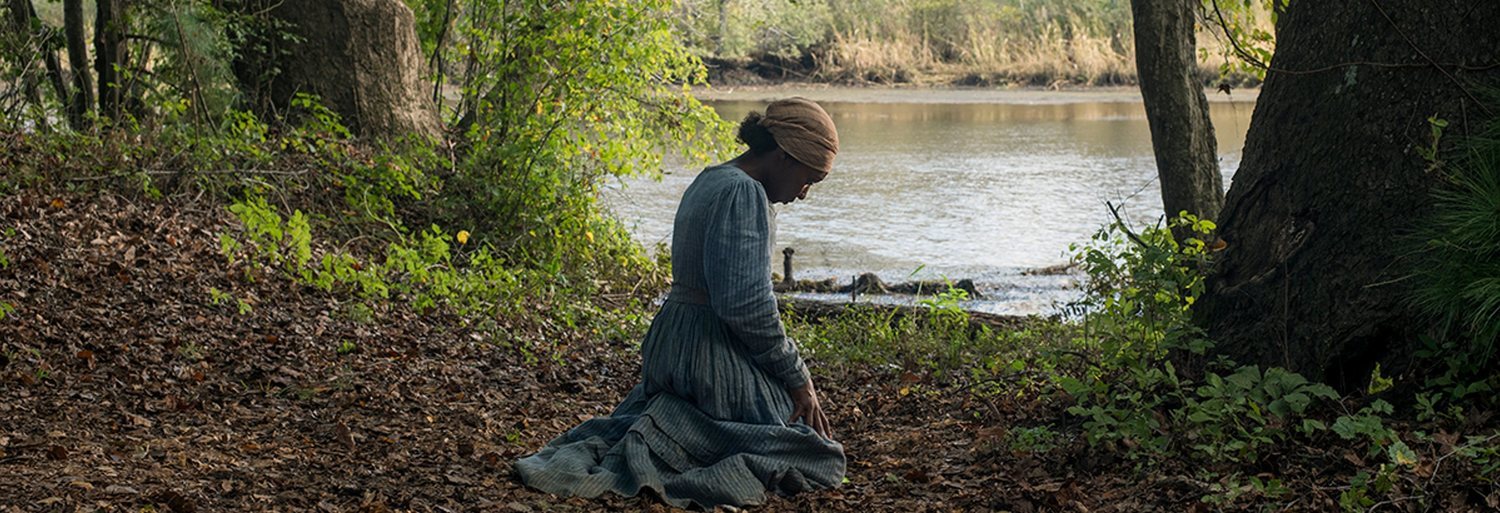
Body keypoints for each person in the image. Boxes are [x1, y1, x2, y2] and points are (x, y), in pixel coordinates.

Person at [514, 97, 846, 509]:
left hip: (673, 341)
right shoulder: (743, 193)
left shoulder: (713, 178)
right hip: (706, 352)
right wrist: (798, 377)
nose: (803, 194)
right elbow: (745, 306)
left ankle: (678, 422)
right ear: (783, 155)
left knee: (780, 419)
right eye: (808, 179)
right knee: (817, 454)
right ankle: (684, 433)